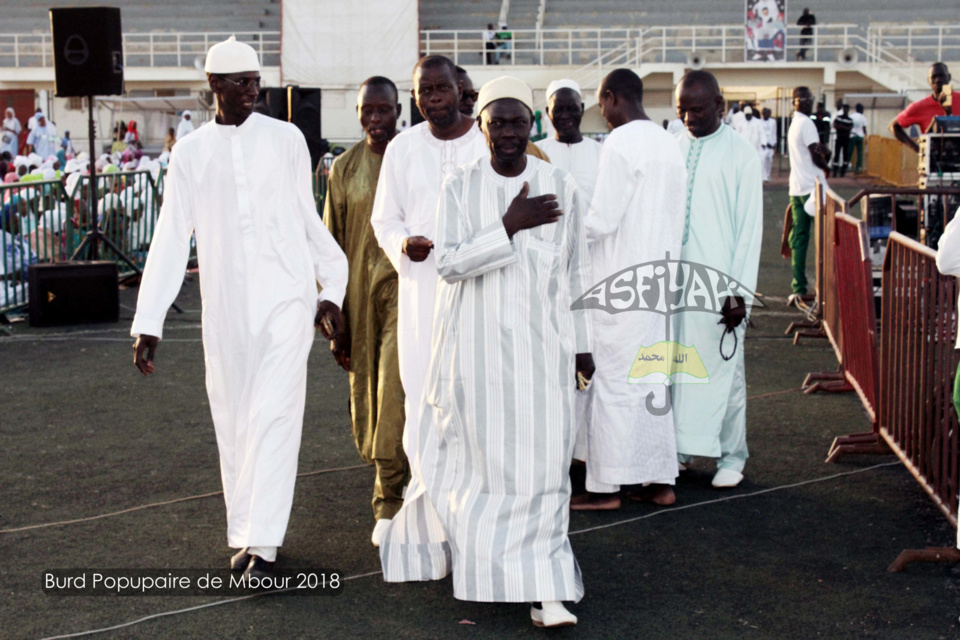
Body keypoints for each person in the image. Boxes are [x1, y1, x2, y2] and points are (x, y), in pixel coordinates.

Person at [130, 36, 348, 579]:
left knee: (274, 417)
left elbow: (306, 219)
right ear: (215, 87)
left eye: (256, 80)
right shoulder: (191, 152)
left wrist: (330, 288)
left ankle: (266, 544)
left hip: (285, 299)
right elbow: (172, 237)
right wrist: (149, 320)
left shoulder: (286, 138)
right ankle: (248, 531)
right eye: (241, 82)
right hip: (225, 308)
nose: (253, 89)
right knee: (234, 420)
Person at [423, 75, 593, 628]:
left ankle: (546, 590)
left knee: (544, 469)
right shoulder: (459, 187)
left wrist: (583, 348)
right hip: (475, 358)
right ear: (484, 127)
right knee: (483, 470)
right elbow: (447, 264)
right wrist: (508, 227)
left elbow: (576, 274)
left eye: (519, 121)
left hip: (542, 355)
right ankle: (478, 566)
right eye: (498, 123)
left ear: (532, 124)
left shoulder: (560, 186)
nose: (509, 133)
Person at [370, 55, 488, 582]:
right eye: (424, 91)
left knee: (474, 401)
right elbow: (383, 218)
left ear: (459, 91)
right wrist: (402, 244)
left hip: (480, 291)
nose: (433, 98)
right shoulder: (401, 148)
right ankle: (430, 515)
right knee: (420, 399)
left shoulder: (484, 141)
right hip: (419, 293)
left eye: (442, 88)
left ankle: (476, 522)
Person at [571, 68, 686, 510]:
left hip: (620, 284)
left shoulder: (619, 142)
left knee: (614, 382)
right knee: (652, 380)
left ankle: (605, 489)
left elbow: (601, 221)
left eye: (602, 104)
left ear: (614, 97)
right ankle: (658, 482)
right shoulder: (666, 142)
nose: (601, 112)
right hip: (659, 283)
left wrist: (562, 232)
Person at [323, 76, 407, 547]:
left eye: (383, 110)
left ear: (399, 109)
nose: (375, 120)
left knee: (394, 388)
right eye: (366, 111)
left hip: (405, 292)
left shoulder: (412, 154)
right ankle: (394, 481)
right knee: (369, 395)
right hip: (358, 296)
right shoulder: (344, 168)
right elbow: (331, 242)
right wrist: (334, 314)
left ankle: (390, 499)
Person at [672, 70, 763, 488]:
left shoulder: (741, 154)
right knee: (678, 364)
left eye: (698, 109)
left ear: (720, 106)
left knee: (726, 369)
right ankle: (681, 448)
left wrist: (737, 293)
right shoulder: (672, 147)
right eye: (682, 109)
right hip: (675, 283)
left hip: (720, 285)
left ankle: (732, 456)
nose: (689, 117)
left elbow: (749, 231)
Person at [787, 86, 830, 300]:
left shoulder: (794, 123)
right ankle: (826, 288)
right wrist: (826, 161)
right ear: (794, 102)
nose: (806, 101)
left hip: (797, 187)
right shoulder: (807, 122)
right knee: (826, 238)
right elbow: (816, 153)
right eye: (801, 98)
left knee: (799, 239)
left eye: (808, 98)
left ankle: (799, 287)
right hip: (814, 189)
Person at [535, 79, 602, 208]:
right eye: (558, 110)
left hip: (591, 228)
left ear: (582, 109)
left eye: (572, 108)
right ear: (548, 112)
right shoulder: (536, 153)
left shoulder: (600, 152)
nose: (565, 116)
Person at [890, 62, 952, 153]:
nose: (938, 80)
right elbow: (894, 126)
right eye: (934, 77)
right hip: (933, 162)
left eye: (942, 75)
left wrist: (948, 113)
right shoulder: (920, 106)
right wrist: (918, 150)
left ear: (949, 77)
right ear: (929, 81)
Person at [832, 104, 853, 177]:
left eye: (847, 109)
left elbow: (849, 128)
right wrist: (844, 127)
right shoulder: (838, 118)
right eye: (844, 108)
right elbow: (835, 125)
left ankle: (843, 171)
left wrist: (841, 127)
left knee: (845, 156)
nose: (845, 110)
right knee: (836, 155)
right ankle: (835, 171)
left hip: (846, 140)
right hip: (839, 138)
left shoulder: (849, 120)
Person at [849, 103, 868, 174]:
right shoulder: (863, 117)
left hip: (852, 135)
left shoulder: (851, 116)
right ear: (861, 109)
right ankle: (858, 166)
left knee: (849, 151)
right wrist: (866, 136)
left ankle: (847, 163)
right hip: (860, 136)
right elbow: (864, 128)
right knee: (860, 152)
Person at [761, 107, 777, 181]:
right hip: (764, 145)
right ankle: (764, 176)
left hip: (771, 144)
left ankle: (768, 175)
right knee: (763, 160)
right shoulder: (760, 122)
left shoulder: (773, 121)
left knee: (770, 160)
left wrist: (774, 143)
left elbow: (774, 132)